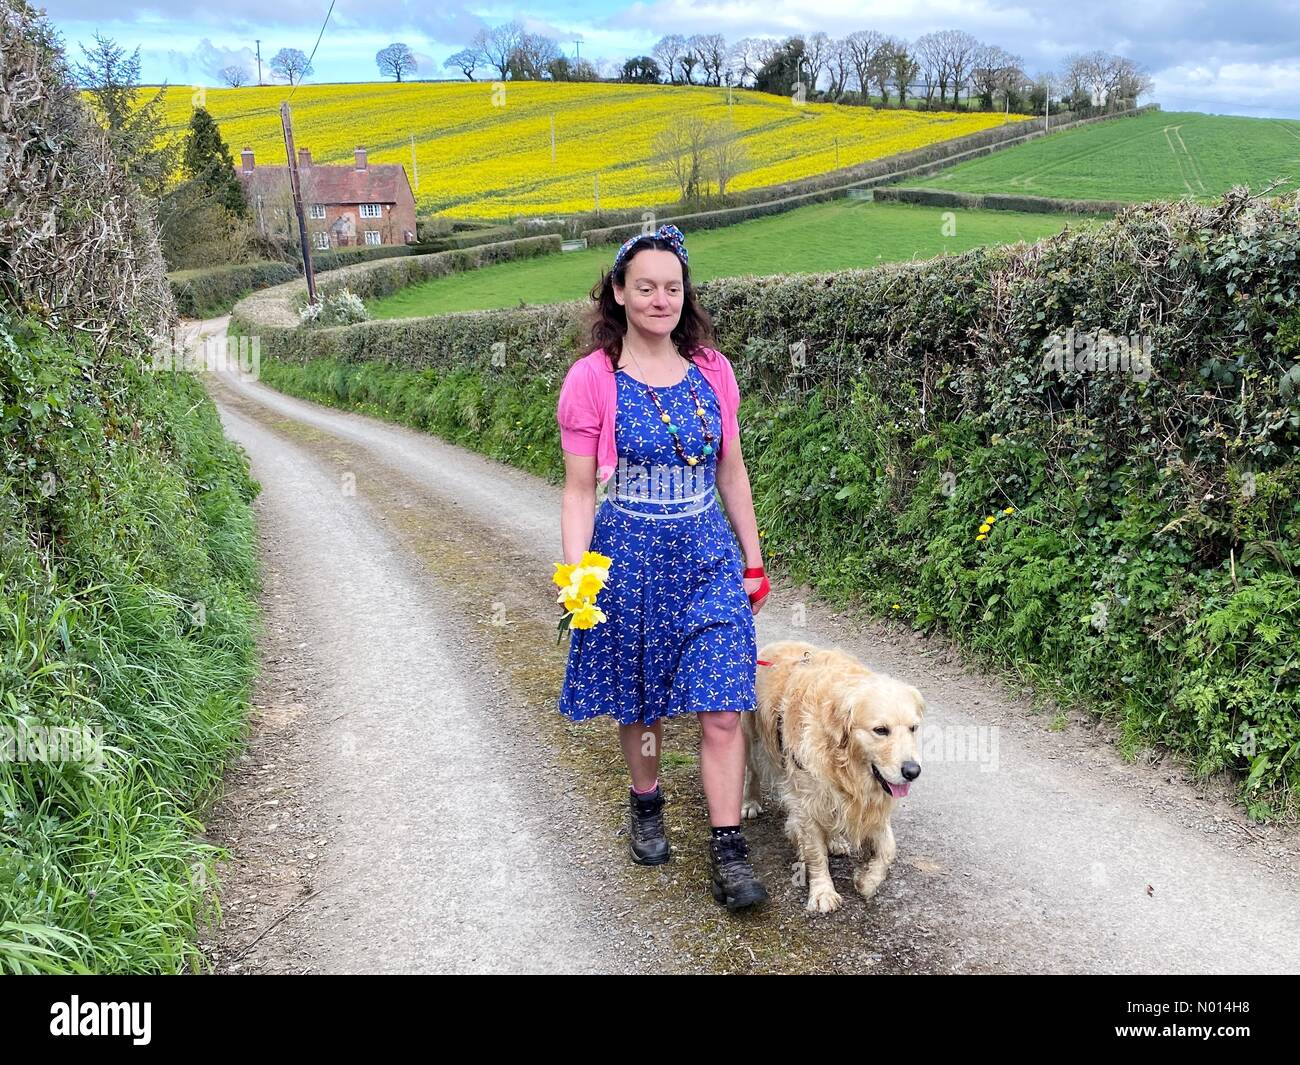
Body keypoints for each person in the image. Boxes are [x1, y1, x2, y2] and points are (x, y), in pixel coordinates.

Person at [555, 223, 772, 911]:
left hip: (707, 551)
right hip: (628, 554)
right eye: (644, 286)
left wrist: (754, 558)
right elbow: (579, 489)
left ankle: (729, 849)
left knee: (721, 707)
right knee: (640, 700)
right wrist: (578, 578)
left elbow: (731, 470)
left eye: (672, 287)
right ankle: (646, 801)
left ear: (686, 294)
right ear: (618, 293)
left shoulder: (713, 369)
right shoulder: (593, 379)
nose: (660, 299)